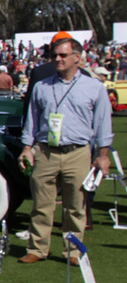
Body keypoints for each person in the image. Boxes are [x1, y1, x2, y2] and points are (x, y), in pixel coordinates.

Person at [17, 36, 113, 264]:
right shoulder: (42, 86)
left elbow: (102, 124)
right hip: (45, 151)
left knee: (76, 206)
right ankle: (38, 249)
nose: (57, 59)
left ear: (77, 58)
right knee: (41, 203)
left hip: (78, 152)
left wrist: (103, 156)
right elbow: (31, 120)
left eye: (62, 55)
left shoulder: (95, 87)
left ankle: (73, 251)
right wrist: (27, 149)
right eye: (54, 56)